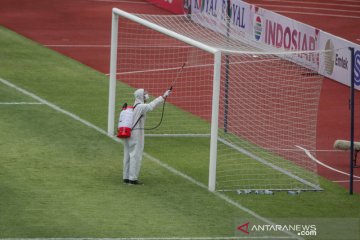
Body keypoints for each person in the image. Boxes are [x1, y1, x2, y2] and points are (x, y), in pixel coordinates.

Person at [123, 88, 171, 185]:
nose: (146, 95)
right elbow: (150, 106)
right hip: (136, 134)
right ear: (140, 96)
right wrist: (163, 96)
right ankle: (132, 179)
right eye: (145, 94)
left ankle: (126, 177)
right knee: (135, 156)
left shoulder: (135, 106)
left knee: (128, 155)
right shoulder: (140, 106)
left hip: (129, 133)